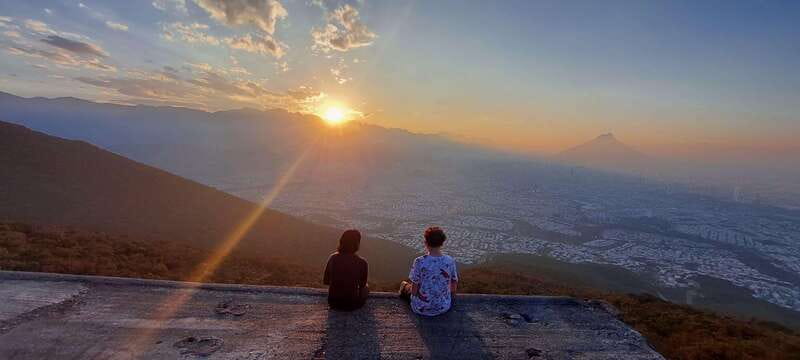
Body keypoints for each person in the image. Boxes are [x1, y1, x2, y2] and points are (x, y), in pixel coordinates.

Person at [399, 227, 458, 316]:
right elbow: (454, 283)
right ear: (442, 243)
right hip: (443, 306)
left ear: (426, 243)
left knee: (405, 285)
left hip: (421, 307)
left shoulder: (419, 261)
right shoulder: (450, 261)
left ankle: (403, 287)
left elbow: (414, 290)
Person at [324, 229, 369, 311]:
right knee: (366, 287)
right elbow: (362, 285)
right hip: (352, 305)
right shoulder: (362, 262)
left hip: (333, 303)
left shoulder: (333, 258)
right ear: (357, 244)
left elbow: (326, 281)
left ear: (341, 241)